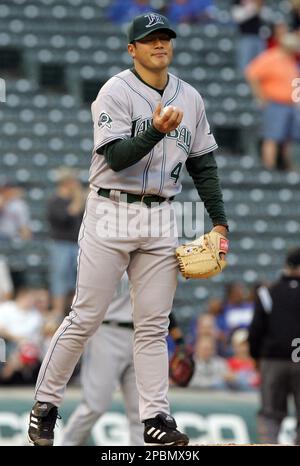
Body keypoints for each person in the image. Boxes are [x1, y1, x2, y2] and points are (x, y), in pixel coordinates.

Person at [28, 12, 228, 447]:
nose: (160, 44)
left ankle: (156, 417)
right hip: (111, 208)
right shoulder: (115, 91)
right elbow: (117, 158)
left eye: (165, 38)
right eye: (150, 39)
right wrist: (155, 132)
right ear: (132, 49)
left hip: (161, 213)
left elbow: (203, 165)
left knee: (153, 325)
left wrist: (219, 222)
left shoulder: (189, 97)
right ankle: (45, 404)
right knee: (86, 316)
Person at [61, 275, 143, 446]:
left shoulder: (150, 253)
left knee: (142, 411)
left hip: (142, 334)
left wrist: (177, 338)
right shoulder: (103, 250)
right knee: (94, 405)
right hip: (106, 330)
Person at [248, 248, 300, 445]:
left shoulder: (268, 292)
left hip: (273, 360)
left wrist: (255, 356)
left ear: (288, 266)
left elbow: (256, 330)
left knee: (270, 414)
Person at [245, 32, 300, 170]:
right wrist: (260, 97)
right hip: (275, 103)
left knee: (289, 139)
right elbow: (251, 73)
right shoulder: (272, 57)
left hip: (290, 104)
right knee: (272, 137)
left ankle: (289, 168)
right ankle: (269, 169)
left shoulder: (291, 60)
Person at [47, 168, 86, 318]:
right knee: (61, 277)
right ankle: (58, 311)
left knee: (77, 278)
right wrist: (78, 198)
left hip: (77, 244)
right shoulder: (55, 200)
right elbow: (65, 217)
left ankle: (72, 311)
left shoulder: (74, 200)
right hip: (60, 244)